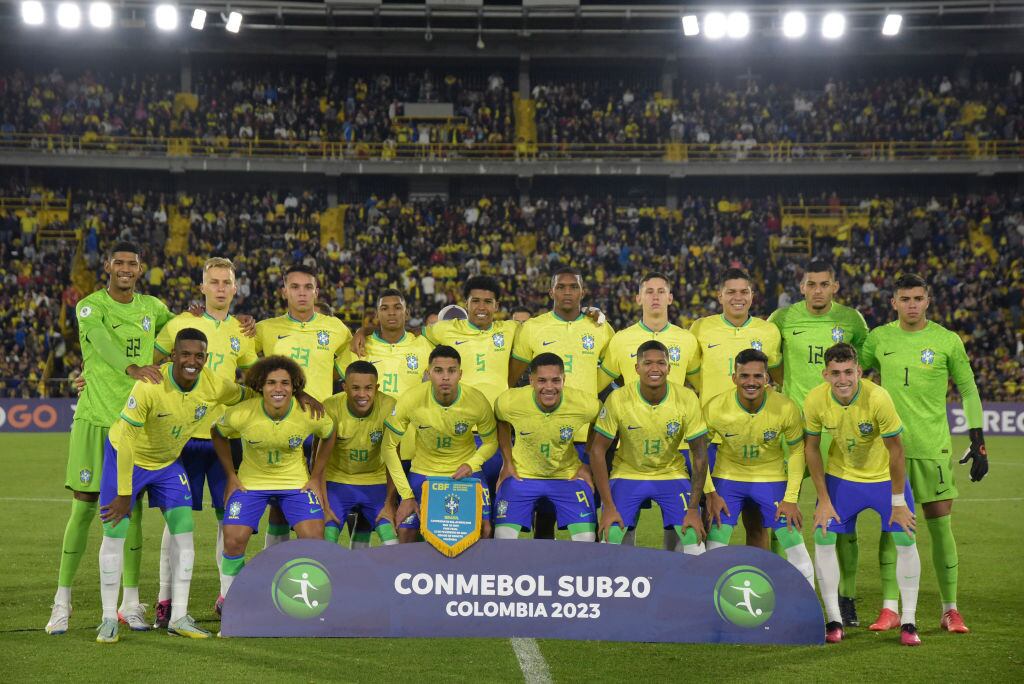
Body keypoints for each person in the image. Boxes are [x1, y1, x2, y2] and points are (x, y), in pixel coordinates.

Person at [95, 328, 254, 642]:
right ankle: (108, 618)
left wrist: (292, 393)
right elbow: (126, 439)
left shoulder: (213, 384)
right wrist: (125, 494)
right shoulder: (150, 385)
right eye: (185, 354)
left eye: (198, 355)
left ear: (206, 358)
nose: (192, 361)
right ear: (173, 356)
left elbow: (247, 395)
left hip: (167, 463)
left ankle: (179, 617)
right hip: (126, 457)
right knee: (114, 533)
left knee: (184, 533)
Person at [46, 241, 173, 635]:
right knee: (84, 509)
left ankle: (130, 603)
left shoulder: (153, 308)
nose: (125, 269)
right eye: (119, 262)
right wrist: (132, 367)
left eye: (132, 263)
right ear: (107, 266)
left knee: (130, 512)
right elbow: (100, 343)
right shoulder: (90, 306)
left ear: (140, 269)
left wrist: (212, 318)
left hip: (134, 426)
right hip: (95, 421)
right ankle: (62, 602)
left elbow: (184, 332)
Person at [860, 274, 988, 633]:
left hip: (933, 448)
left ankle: (950, 610)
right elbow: (853, 375)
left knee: (940, 527)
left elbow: (968, 389)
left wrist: (977, 438)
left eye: (918, 298)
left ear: (928, 300)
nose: (912, 304)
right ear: (894, 302)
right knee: (892, 527)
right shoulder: (878, 338)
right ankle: (890, 608)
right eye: (905, 299)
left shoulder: (946, 340)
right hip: (889, 450)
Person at [151, 257, 257, 623]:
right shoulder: (181, 323)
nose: (220, 288)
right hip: (181, 439)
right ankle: (165, 599)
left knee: (229, 519)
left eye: (226, 282)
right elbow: (150, 362)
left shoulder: (242, 331)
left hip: (225, 437)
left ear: (235, 288)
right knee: (175, 522)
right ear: (203, 287)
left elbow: (253, 378)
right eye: (214, 282)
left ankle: (228, 596)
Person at [768, 260, 868, 625]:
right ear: (802, 286)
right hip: (793, 430)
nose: (818, 290)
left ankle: (846, 597)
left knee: (843, 519)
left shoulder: (852, 321)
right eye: (812, 284)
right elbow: (773, 362)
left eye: (825, 284)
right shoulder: (782, 318)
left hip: (838, 432)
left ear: (835, 286)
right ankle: (782, 588)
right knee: (782, 510)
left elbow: (860, 366)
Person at [804, 343, 921, 646]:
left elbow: (897, 450)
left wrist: (898, 502)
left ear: (858, 371)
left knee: (906, 538)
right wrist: (823, 500)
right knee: (823, 535)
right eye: (835, 373)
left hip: (884, 480)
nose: (842, 379)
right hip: (843, 478)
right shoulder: (815, 399)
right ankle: (833, 620)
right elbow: (811, 449)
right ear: (825, 374)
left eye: (848, 372)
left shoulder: (878, 397)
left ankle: (909, 622)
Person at [212, 356, 336, 600]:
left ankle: (305, 600)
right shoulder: (242, 413)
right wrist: (231, 475)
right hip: (250, 484)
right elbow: (217, 432)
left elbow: (329, 433)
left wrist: (315, 476)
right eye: (271, 383)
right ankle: (229, 597)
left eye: (285, 383)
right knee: (233, 540)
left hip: (295, 484)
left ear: (294, 387)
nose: (278, 389)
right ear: (260, 386)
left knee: (314, 540)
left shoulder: (308, 413)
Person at [508, 268, 614, 538]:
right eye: (561, 287)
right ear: (551, 292)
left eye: (573, 287)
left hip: (586, 433)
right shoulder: (533, 328)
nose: (567, 292)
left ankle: (589, 561)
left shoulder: (600, 327)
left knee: (589, 507)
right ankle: (544, 559)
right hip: (543, 430)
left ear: (583, 292)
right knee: (545, 510)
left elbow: (614, 370)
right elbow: (512, 377)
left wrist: (592, 395)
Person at [253, 265, 351, 547]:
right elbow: (244, 359)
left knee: (319, 499)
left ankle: (313, 560)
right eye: (294, 287)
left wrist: (362, 333)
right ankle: (276, 563)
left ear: (316, 292)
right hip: (279, 427)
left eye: (308, 287)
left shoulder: (336, 328)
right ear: (284, 291)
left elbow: (352, 363)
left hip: (320, 430)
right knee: (278, 504)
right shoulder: (265, 329)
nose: (302, 293)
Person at [703, 349, 815, 587]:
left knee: (794, 543)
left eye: (757, 376)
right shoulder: (716, 407)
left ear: (767, 378)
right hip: (728, 476)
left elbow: (797, 452)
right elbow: (699, 452)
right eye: (744, 376)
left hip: (771, 477)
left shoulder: (785, 407)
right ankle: (708, 604)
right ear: (734, 378)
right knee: (714, 544)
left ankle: (805, 607)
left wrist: (791, 499)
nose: (751, 382)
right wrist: (710, 493)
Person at [690, 268, 782, 549]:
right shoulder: (701, 328)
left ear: (752, 296)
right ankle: (708, 572)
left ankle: (758, 572)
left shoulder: (768, 331)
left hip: (754, 436)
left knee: (756, 521)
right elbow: (689, 372)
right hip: (713, 437)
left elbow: (776, 377)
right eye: (731, 292)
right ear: (720, 296)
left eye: (744, 292)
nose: (737, 297)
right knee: (711, 515)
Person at [590, 341, 709, 553]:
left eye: (661, 363)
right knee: (611, 535)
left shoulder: (686, 398)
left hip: (671, 473)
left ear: (669, 368)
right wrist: (607, 506)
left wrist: (693, 508)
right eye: (647, 363)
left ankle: (677, 573)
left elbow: (699, 453)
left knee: (694, 540)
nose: (655, 368)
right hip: (628, 472)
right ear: (637, 368)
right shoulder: (618, 398)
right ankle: (624, 572)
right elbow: (597, 450)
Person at [381, 345, 498, 542]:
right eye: (438, 371)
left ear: (460, 374)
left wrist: (472, 464)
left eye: (451, 371)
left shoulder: (476, 400)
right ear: (428, 373)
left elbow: (491, 442)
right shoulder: (411, 399)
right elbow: (388, 447)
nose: (445, 377)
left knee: (485, 530)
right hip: (424, 472)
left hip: (466, 473)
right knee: (405, 531)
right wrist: (406, 495)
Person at [492, 353, 601, 542]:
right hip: (521, 475)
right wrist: (507, 462)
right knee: (503, 538)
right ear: (531, 380)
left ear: (564, 379)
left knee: (587, 539)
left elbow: (599, 421)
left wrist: (586, 461)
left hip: (567, 476)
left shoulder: (584, 404)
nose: (549, 387)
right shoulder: (510, 401)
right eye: (542, 380)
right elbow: (501, 420)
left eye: (555, 380)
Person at [321, 361, 400, 547]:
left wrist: (390, 503)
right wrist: (324, 505)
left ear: (377, 388)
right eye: (355, 388)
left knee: (392, 538)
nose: (362, 394)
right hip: (338, 480)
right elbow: (320, 461)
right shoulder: (330, 407)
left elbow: (393, 459)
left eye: (368, 388)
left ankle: (362, 562)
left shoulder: (389, 406)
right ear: (344, 387)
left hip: (376, 480)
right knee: (327, 533)